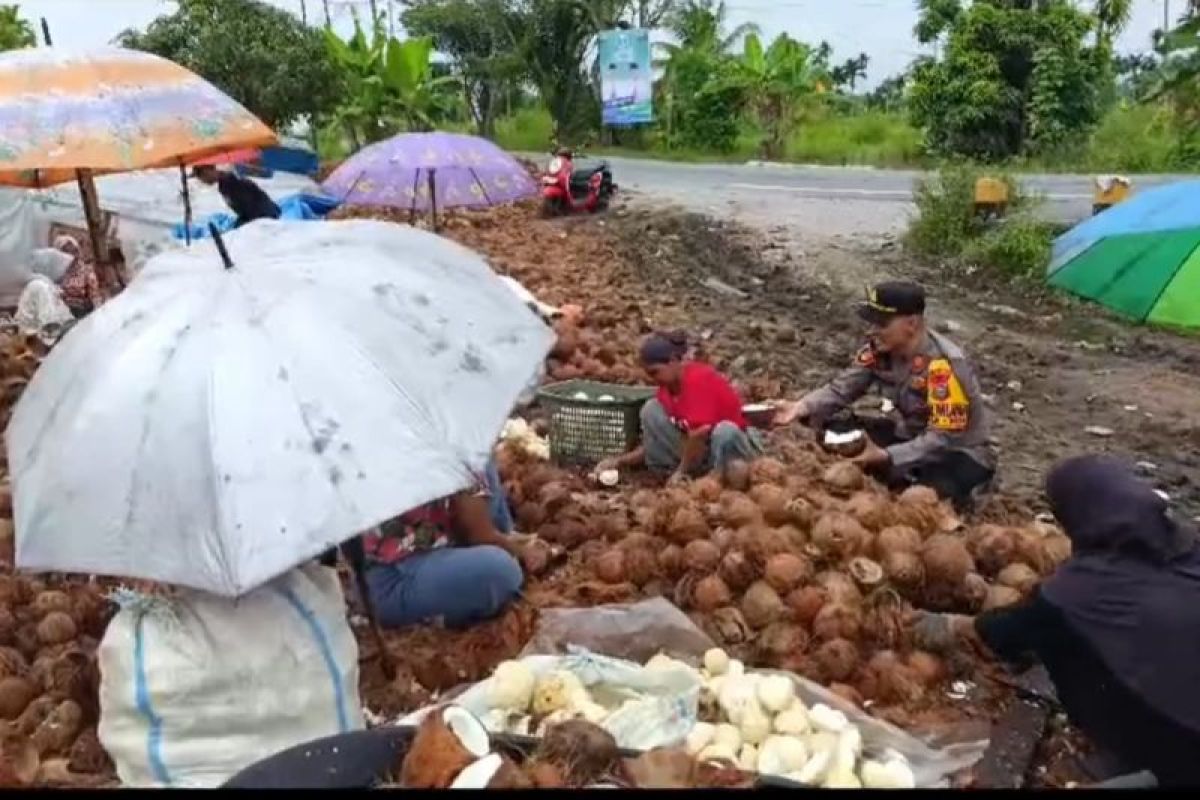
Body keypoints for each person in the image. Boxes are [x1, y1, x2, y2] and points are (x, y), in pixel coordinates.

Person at [913, 455, 1200, 787]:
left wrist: (950, 625)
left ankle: (1139, 755)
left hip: (1185, 745)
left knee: (1064, 646)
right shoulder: (1189, 547)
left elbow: (1008, 631)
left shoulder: (1079, 590)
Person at [775, 281, 994, 510]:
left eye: (881, 323)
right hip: (909, 436)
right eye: (871, 321)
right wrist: (800, 407)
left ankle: (966, 493)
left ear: (911, 324)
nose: (872, 329)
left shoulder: (943, 366)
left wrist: (886, 455)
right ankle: (895, 474)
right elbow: (842, 389)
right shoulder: (878, 349)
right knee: (832, 433)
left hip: (955, 452)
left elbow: (943, 438)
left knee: (922, 498)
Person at [361, 458, 524, 629]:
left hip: (433, 542)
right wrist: (522, 551)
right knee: (500, 571)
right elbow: (481, 536)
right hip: (393, 579)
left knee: (483, 460)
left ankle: (482, 559)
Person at [598, 331, 762, 483]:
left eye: (656, 372)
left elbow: (699, 433)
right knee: (651, 410)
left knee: (725, 431)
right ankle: (679, 474)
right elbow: (652, 444)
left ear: (674, 361)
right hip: (703, 453)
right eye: (649, 374)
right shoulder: (666, 391)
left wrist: (681, 471)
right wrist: (618, 461)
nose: (654, 379)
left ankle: (715, 480)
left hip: (733, 447)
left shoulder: (697, 380)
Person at [193, 165, 281, 228]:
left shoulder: (233, 183)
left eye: (201, 176)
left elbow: (251, 209)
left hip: (265, 218)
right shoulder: (224, 185)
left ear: (209, 171)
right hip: (259, 216)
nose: (202, 181)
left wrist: (241, 225)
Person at [53, 234, 103, 319]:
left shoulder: (86, 271)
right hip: (57, 311)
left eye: (74, 251)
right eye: (66, 251)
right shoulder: (56, 271)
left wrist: (98, 315)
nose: (71, 254)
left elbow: (95, 296)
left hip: (78, 313)